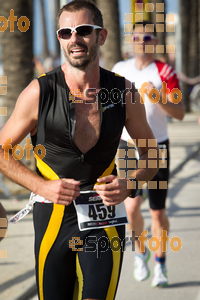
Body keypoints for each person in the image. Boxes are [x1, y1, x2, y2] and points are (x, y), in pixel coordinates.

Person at [0, 3, 159, 300]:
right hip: (53, 218)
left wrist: (130, 183)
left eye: (84, 30)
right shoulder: (39, 92)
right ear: (60, 39)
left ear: (101, 36)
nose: (75, 39)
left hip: (104, 215)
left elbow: (152, 154)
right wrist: (41, 186)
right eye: (65, 32)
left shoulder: (124, 92)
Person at [112, 20, 185, 287]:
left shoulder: (164, 71)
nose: (142, 42)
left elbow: (180, 113)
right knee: (131, 208)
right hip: (127, 146)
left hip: (158, 148)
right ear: (131, 41)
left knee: (157, 211)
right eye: (137, 37)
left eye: (148, 37)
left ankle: (161, 264)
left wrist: (159, 98)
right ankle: (140, 253)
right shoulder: (119, 70)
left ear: (155, 41)